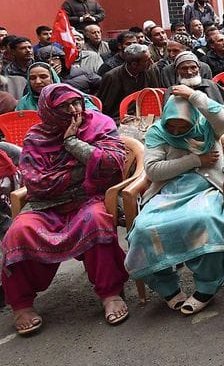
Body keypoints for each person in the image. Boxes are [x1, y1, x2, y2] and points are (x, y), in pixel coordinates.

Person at [1, 84, 129, 335]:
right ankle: (21, 304)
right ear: (49, 110)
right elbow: (35, 181)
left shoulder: (99, 125)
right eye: (64, 107)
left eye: (76, 103)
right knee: (18, 232)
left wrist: (72, 143)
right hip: (45, 204)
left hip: (87, 198)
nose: (73, 111)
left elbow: (112, 162)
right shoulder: (36, 137)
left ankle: (109, 293)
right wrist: (85, 168)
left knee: (95, 220)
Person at [124, 84, 224, 315]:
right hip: (168, 190)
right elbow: (153, 170)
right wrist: (196, 159)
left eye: (181, 125)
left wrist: (194, 96)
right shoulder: (157, 132)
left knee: (204, 219)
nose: (175, 131)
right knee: (144, 228)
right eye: (170, 125)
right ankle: (168, 288)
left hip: (205, 188)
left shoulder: (207, 127)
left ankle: (206, 286)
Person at [96, 43, 156, 119]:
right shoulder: (112, 77)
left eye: (151, 58)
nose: (152, 62)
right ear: (134, 64)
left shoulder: (149, 71)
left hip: (146, 114)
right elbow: (106, 108)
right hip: (120, 117)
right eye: (147, 60)